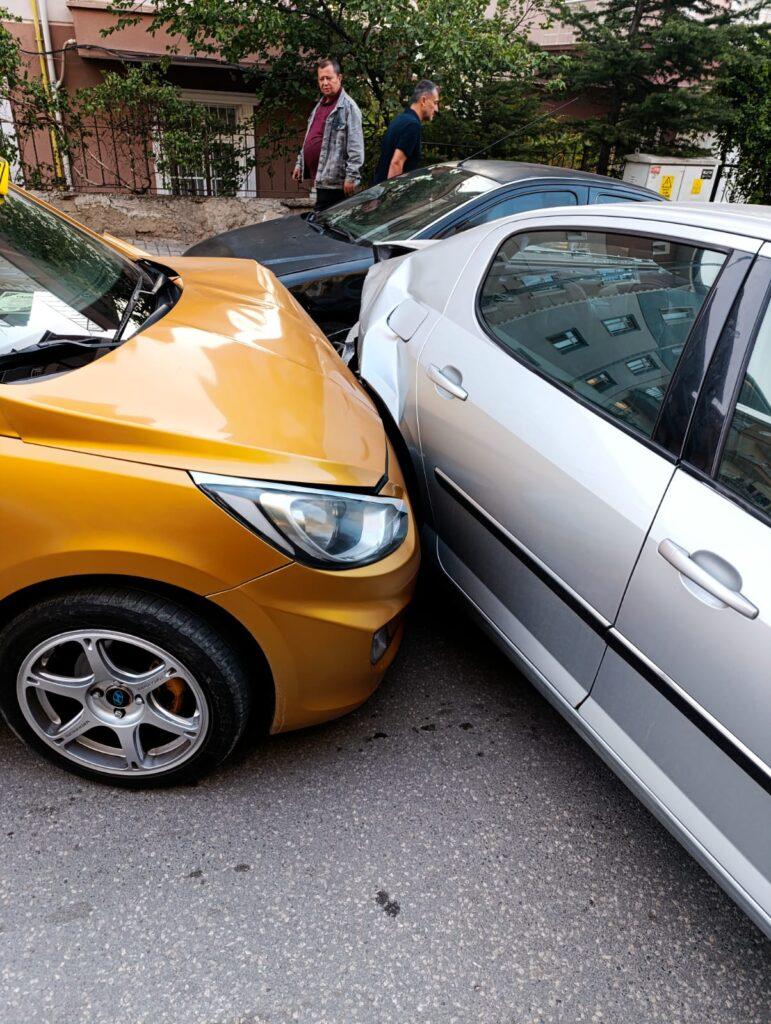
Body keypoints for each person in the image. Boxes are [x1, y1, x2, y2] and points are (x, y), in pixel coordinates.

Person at [292, 58, 365, 212]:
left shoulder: (348, 108)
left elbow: (356, 146)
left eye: (329, 78)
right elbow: (309, 137)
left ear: (339, 78)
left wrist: (351, 177)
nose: (325, 83)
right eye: (321, 79)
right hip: (321, 180)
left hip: (336, 184)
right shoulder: (319, 106)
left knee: (323, 226)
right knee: (323, 226)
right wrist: (300, 163)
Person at [373, 80, 440, 184]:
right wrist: (391, 197)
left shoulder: (400, 119)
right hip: (386, 194)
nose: (436, 109)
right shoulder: (412, 126)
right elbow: (396, 163)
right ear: (423, 100)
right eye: (435, 103)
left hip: (377, 188)